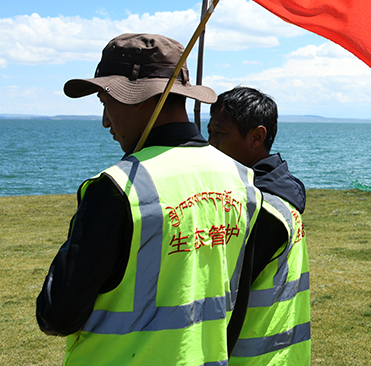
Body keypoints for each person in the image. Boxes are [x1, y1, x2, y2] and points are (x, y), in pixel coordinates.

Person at [37, 33, 263, 366]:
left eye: (106, 102)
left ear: (138, 98)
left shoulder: (119, 187)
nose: (104, 121)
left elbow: (57, 314)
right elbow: (237, 306)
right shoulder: (242, 181)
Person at [208, 87, 311, 365]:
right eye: (209, 132)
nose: (210, 143)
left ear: (257, 137)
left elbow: (222, 293)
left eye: (220, 133)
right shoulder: (276, 191)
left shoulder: (263, 209)